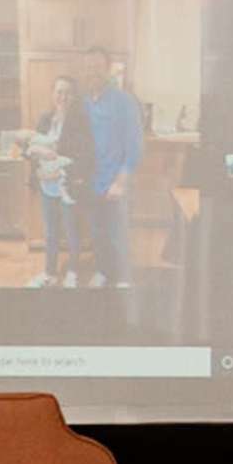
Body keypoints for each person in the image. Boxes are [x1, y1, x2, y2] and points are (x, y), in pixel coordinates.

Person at [83, 51, 146, 289]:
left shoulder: (124, 101)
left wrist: (120, 182)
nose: (92, 71)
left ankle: (123, 278)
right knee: (97, 233)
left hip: (116, 181)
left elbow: (135, 146)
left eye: (98, 66)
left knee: (118, 234)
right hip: (92, 181)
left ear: (108, 69)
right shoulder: (84, 102)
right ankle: (102, 270)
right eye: (88, 67)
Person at [25, 74, 86, 286]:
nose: (63, 96)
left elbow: (83, 156)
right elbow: (30, 148)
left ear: (74, 96)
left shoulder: (80, 122)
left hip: (67, 185)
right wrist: (39, 171)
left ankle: (73, 272)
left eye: (68, 92)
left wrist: (59, 168)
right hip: (46, 185)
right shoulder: (44, 119)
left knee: (71, 232)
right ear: (53, 94)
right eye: (59, 91)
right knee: (50, 233)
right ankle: (49, 273)